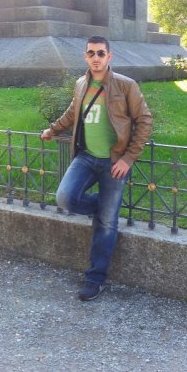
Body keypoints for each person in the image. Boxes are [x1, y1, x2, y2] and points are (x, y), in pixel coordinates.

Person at [41, 36, 152, 301]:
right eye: (91, 53)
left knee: (106, 224)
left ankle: (95, 278)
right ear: (85, 57)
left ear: (109, 56)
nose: (96, 57)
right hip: (87, 156)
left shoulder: (126, 85)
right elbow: (73, 113)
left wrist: (128, 158)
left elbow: (145, 120)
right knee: (65, 198)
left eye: (101, 53)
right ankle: (103, 209)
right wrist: (52, 130)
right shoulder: (81, 83)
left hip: (114, 162)